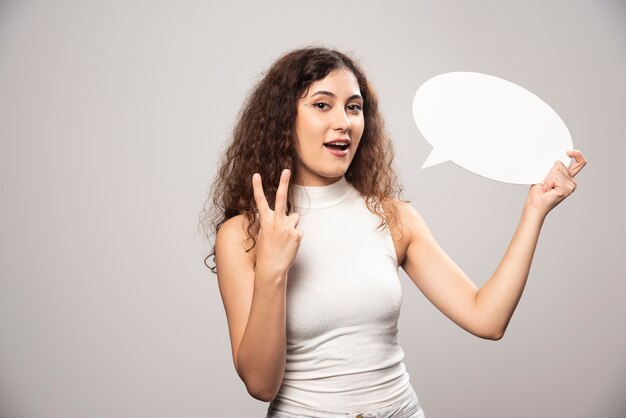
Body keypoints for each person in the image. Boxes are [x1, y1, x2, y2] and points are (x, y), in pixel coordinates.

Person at [200, 46, 586, 418]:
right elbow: (260, 384)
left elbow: (487, 319)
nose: (344, 121)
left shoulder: (391, 216)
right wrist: (272, 269)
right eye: (322, 104)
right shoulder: (244, 233)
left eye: (354, 107)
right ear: (284, 119)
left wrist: (535, 210)